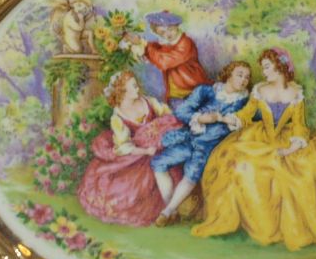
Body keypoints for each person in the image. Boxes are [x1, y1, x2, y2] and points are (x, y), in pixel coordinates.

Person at [192, 47, 316, 249]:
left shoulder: (295, 93)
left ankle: (293, 228)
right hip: (260, 138)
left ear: (279, 66)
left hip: (289, 140)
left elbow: (300, 125)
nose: (263, 71)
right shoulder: (259, 90)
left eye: (267, 67)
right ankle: (261, 224)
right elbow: (246, 114)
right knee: (241, 166)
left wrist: (291, 149)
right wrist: (224, 118)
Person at [149, 62, 252, 225]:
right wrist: (201, 118)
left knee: (192, 173)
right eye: (240, 75)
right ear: (229, 74)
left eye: (247, 77)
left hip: (209, 147)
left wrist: (227, 120)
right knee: (158, 163)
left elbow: (250, 121)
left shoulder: (245, 103)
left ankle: (167, 212)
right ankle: (172, 209)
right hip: (189, 138)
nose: (244, 80)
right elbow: (181, 111)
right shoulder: (206, 91)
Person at [74, 71, 181, 227]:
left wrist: (161, 133)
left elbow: (168, 117)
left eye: (136, 85)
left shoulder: (148, 102)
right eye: (133, 86)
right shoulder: (118, 117)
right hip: (137, 155)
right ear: (122, 91)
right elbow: (125, 145)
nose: (137, 88)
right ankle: (168, 212)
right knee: (130, 191)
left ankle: (172, 210)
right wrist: (145, 151)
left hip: (160, 147)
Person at [132, 12, 209, 103]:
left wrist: (146, 46)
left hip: (193, 91)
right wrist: (141, 44)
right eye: (162, 32)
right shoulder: (166, 45)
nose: (167, 34)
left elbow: (164, 61)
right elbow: (155, 50)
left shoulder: (185, 43)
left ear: (176, 26)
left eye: (170, 29)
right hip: (175, 96)